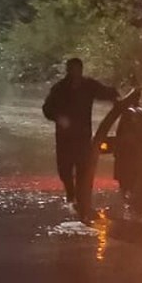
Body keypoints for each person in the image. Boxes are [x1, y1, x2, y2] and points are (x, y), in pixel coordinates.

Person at [41, 58, 118, 215]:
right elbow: (47, 109)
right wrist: (59, 117)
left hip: (83, 136)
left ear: (81, 70)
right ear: (68, 71)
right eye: (73, 70)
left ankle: (82, 202)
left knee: (83, 170)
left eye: (78, 70)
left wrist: (116, 97)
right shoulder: (59, 89)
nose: (76, 73)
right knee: (65, 171)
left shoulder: (89, 86)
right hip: (64, 138)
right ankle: (71, 193)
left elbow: (105, 92)